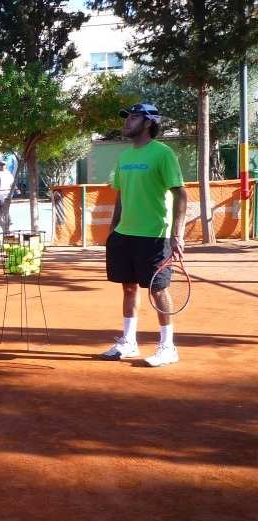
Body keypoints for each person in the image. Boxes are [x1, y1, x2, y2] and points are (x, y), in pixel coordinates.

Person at [100, 103, 187, 367]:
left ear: (148, 123)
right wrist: (113, 230)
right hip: (125, 234)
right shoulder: (124, 156)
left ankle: (168, 347)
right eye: (126, 117)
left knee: (158, 290)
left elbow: (180, 194)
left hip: (154, 235)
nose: (127, 121)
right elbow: (120, 195)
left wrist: (177, 234)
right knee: (128, 287)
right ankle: (129, 342)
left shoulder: (163, 153)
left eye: (133, 117)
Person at [0, 161, 16, 226]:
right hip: (0, 193)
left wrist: (17, 189)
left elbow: (12, 182)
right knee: (3, 206)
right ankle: (7, 220)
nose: (2, 166)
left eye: (3, 165)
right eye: (1, 165)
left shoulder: (8, 173)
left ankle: (0, 220)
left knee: (4, 206)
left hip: (8, 192)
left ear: (5, 166)